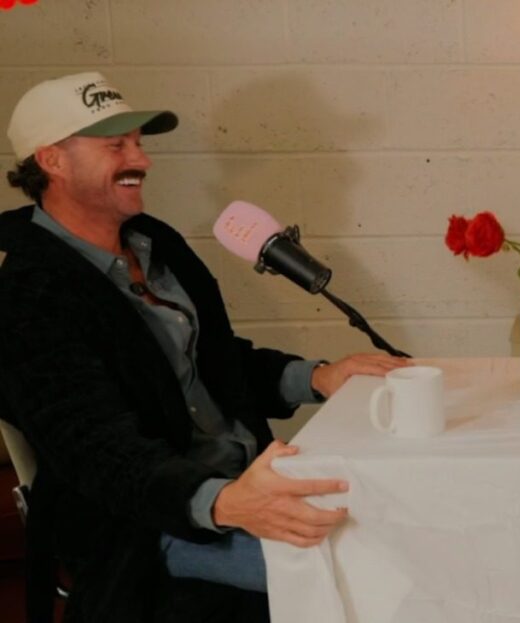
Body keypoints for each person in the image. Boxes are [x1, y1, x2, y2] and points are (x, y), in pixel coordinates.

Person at [0, 72, 408, 622]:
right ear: (52, 160)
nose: (141, 160)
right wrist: (223, 502)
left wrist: (318, 377)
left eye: (139, 143)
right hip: (150, 528)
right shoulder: (27, 293)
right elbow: (94, 449)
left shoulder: (155, 242)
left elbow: (214, 363)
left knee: (408, 527)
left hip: (246, 482)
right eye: (116, 146)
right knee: (377, 577)